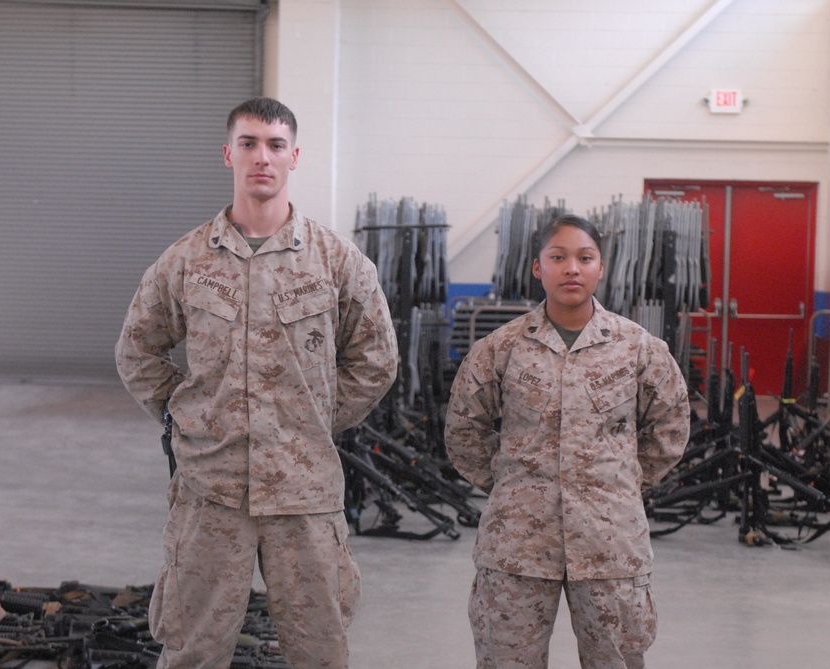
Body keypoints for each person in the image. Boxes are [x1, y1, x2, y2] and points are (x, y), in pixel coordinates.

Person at [115, 96, 398, 669]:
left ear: (295, 156)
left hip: (305, 492)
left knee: (319, 649)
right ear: (228, 155)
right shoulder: (187, 261)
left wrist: (315, 420)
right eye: (248, 144)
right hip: (211, 489)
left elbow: (376, 359)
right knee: (193, 649)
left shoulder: (336, 262)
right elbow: (137, 349)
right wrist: (186, 416)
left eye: (274, 145)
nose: (261, 157)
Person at [444, 214, 690, 669]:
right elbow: (464, 431)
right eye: (558, 258)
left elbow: (671, 426)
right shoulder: (500, 348)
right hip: (517, 546)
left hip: (609, 545)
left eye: (584, 257)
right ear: (538, 268)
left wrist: (621, 483)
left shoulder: (638, 348)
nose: (571, 268)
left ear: (601, 267)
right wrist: (510, 487)